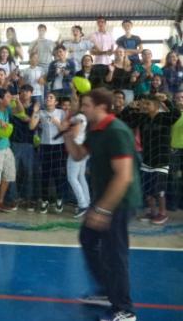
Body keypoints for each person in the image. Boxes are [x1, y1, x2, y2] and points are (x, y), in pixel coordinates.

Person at [63, 88, 140, 321]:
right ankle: (107, 290)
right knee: (88, 239)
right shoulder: (96, 130)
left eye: (86, 105)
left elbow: (123, 176)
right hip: (104, 198)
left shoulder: (116, 131)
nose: (82, 109)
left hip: (120, 201)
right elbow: (78, 155)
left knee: (114, 253)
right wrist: (68, 133)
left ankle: (125, 310)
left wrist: (103, 209)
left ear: (101, 107)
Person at [119, 94, 180, 225]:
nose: (145, 106)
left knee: (159, 189)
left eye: (148, 104)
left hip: (161, 159)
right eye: (144, 104)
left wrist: (166, 100)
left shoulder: (164, 117)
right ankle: (152, 212)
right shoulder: (142, 118)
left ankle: (162, 214)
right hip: (147, 159)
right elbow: (123, 119)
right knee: (147, 189)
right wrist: (129, 107)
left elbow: (176, 114)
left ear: (156, 106)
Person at [9, 84, 39, 212]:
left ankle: (29, 199)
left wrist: (35, 112)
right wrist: (32, 115)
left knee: (29, 173)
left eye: (27, 91)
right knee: (12, 173)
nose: (24, 93)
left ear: (31, 93)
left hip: (29, 144)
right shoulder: (14, 104)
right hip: (15, 142)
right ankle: (14, 199)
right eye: (22, 91)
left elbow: (32, 125)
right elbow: (23, 116)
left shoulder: (36, 107)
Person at [38, 92, 68, 214]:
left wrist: (57, 122)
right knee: (45, 175)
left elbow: (64, 130)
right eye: (47, 97)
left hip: (58, 146)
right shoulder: (41, 113)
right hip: (45, 146)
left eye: (51, 97)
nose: (48, 99)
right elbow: (32, 126)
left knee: (57, 174)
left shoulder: (61, 113)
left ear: (56, 102)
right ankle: (44, 200)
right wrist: (35, 113)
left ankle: (59, 199)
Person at [65, 93, 90, 218]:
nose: (71, 105)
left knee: (72, 177)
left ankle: (83, 204)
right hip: (83, 149)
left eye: (74, 102)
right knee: (80, 176)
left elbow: (74, 134)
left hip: (77, 149)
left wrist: (65, 131)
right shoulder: (81, 116)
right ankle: (87, 202)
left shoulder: (79, 117)